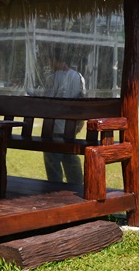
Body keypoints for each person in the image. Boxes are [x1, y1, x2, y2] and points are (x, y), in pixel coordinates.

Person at [41, 48, 85, 183]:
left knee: (52, 159)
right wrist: (79, 122)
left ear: (55, 60)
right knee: (69, 155)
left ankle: (54, 185)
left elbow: (46, 101)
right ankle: (77, 183)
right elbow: (82, 99)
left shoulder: (53, 78)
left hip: (55, 127)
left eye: (50, 61)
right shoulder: (78, 76)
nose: (49, 64)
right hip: (71, 126)